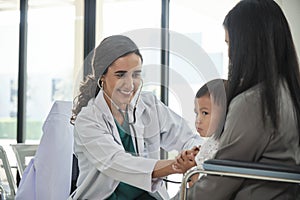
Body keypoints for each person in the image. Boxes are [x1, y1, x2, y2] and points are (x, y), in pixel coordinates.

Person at [175, 0, 300, 199]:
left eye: (230, 43)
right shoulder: (288, 94)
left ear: (248, 45)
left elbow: (220, 181)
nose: (230, 53)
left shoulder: (256, 102)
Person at [68, 35, 202, 199]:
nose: (130, 84)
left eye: (136, 74)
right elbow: (118, 163)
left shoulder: (150, 105)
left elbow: (188, 136)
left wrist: (193, 155)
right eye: (120, 75)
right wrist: (176, 165)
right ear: (102, 76)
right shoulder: (88, 120)